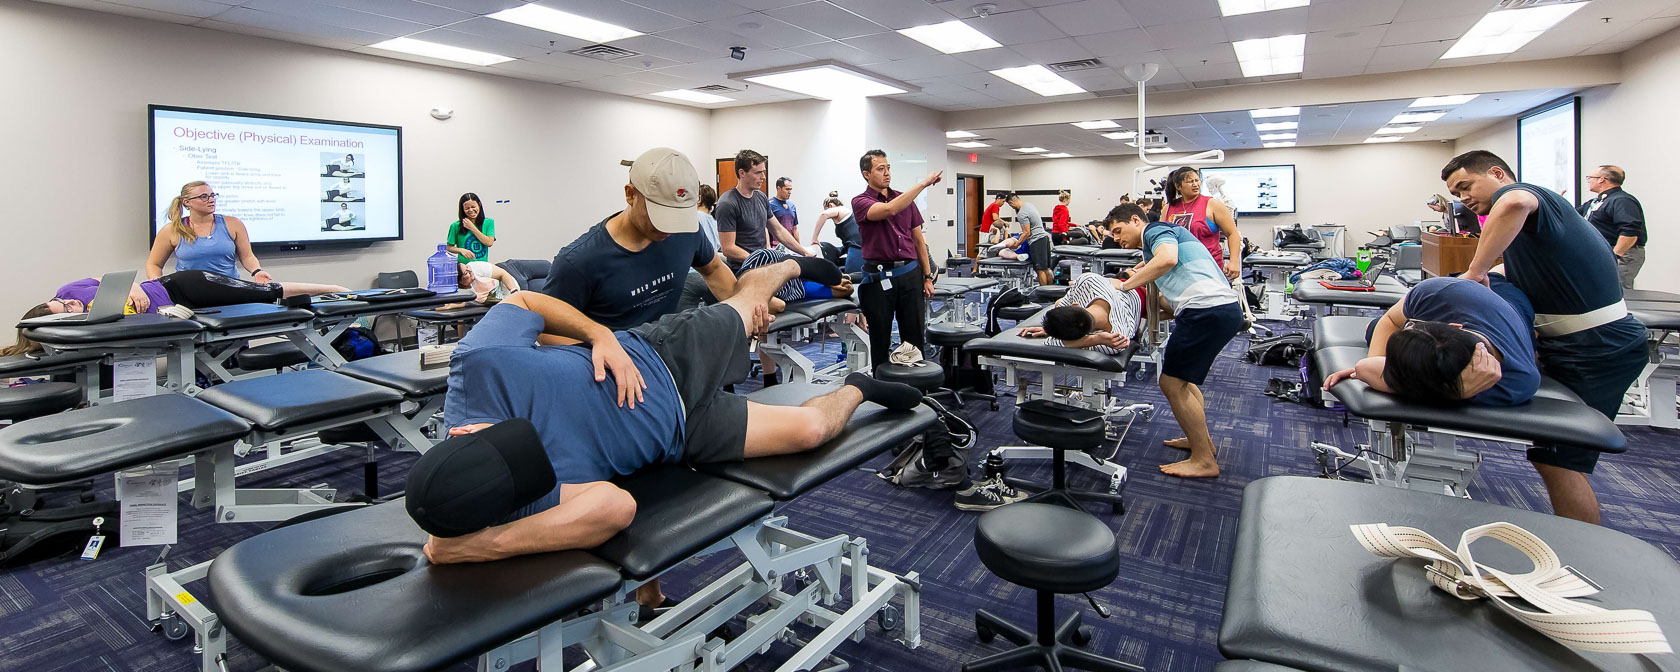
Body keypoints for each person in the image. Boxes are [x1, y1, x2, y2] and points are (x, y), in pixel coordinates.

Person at [411, 258, 922, 568]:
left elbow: (524, 302)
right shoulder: (516, 497)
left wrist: (600, 335)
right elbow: (614, 509)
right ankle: (860, 386)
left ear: (465, 432)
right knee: (812, 429)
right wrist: (478, 546)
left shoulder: (478, 362)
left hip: (660, 358)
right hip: (682, 434)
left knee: (750, 306)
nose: (531, 448)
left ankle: (782, 267)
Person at [1440, 150, 1647, 524]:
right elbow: (1518, 270)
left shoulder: (1521, 193)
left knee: (1559, 461)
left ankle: (1583, 556)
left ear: (1498, 173)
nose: (1463, 198)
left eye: (1465, 186)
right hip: (1574, 346)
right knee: (1557, 458)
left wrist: (1475, 271)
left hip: (1598, 346)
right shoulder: (1525, 228)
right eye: (1456, 194)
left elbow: (1515, 201)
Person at [1107, 203, 1243, 478]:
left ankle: (1204, 460)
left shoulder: (1156, 230)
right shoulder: (1157, 242)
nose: (1118, 239)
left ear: (1136, 220)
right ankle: (1200, 442)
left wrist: (1122, 285)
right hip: (1218, 310)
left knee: (1170, 383)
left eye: (1119, 231)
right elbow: (1164, 277)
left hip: (1206, 310)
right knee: (1184, 382)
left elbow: (1167, 259)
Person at [1322, 276, 1538, 408]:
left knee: (1371, 330)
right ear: (1454, 326)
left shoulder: (1514, 382)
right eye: (1411, 325)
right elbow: (1391, 320)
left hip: (1513, 304)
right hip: (1468, 290)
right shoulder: (1436, 292)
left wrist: (1456, 394)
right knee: (1376, 327)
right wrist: (1381, 364)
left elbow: (1365, 368)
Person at [853, 150, 940, 363]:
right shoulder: (860, 202)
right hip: (879, 279)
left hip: (910, 275)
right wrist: (923, 184)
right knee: (880, 339)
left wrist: (927, 276)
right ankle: (882, 392)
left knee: (914, 338)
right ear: (866, 174)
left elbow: (918, 240)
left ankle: (915, 392)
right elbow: (889, 210)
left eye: (888, 168)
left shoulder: (904, 199)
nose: (887, 173)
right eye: (880, 169)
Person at [29, 270, 345, 322]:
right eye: (68, 309)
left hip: (181, 287)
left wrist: (133, 286)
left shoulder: (68, 290)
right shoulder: (87, 324)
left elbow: (103, 278)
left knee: (263, 293)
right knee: (259, 303)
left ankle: (331, 290)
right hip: (178, 311)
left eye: (64, 302)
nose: (72, 304)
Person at [147, 181, 273, 283]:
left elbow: (247, 256)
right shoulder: (171, 230)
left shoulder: (233, 224)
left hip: (230, 291)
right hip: (189, 294)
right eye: (204, 197)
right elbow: (154, 264)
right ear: (187, 202)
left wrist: (257, 271)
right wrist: (157, 284)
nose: (211, 200)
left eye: (212, 195)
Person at [716, 150, 811, 269]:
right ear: (742, 173)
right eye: (758, 173)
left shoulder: (761, 197)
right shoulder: (727, 203)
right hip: (744, 268)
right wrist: (760, 261)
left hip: (763, 264)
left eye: (763, 172)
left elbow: (778, 230)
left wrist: (803, 252)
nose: (763, 177)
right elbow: (728, 249)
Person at [1018, 271, 1143, 355]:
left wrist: (1096, 339)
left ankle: (1132, 272)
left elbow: (1052, 342)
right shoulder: (1087, 279)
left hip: (1131, 289)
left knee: (1058, 302)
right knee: (1131, 271)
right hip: (1130, 290)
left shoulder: (1112, 341)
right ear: (1076, 305)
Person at [1163, 167, 1241, 281]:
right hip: (1179, 269)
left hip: (1208, 268)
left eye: (1197, 180)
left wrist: (1234, 261)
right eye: (1190, 182)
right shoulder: (1168, 208)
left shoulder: (1212, 204)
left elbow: (1232, 234)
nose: (1195, 184)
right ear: (1178, 186)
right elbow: (1164, 238)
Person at [1576, 165, 1646, 288]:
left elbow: (1630, 231)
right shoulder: (1597, 202)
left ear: (1601, 179)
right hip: (1602, 252)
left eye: (1590, 178)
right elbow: (1573, 215)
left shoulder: (1622, 200)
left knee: (1616, 290)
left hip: (1620, 253)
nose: (1589, 181)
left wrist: (1616, 255)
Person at [677, 185, 725, 313]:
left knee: (682, 319)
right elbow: (719, 246)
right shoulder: (714, 221)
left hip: (692, 275)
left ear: (698, 199)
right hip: (710, 276)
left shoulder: (694, 217)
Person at [1004, 193, 1053, 286]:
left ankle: (1044, 294)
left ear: (1011, 203)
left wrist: (1017, 244)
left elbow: (1027, 233)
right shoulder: (1029, 205)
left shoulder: (1022, 213)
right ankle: (1051, 292)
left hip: (1037, 241)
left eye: (1010, 205)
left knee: (1039, 270)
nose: (1011, 207)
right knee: (1046, 268)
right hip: (1045, 238)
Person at [808, 193, 864, 272]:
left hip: (857, 248)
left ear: (830, 206)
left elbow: (823, 215)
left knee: (852, 274)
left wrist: (814, 238)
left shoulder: (839, 209)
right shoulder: (845, 212)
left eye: (826, 208)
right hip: (851, 246)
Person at [456, 259, 552, 304]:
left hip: (513, 272)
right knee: (550, 286)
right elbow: (457, 311)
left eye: (467, 268)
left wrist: (513, 290)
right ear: (460, 282)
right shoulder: (466, 294)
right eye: (466, 273)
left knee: (547, 266)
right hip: (522, 290)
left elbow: (502, 274)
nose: (470, 271)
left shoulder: (474, 267)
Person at [446, 193, 496, 263]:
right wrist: (461, 250)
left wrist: (472, 227)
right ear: (462, 209)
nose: (471, 210)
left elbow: (489, 242)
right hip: (464, 268)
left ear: (479, 205)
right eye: (467, 208)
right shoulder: (455, 226)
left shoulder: (488, 222)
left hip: (483, 266)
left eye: (473, 207)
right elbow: (449, 247)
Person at [770, 176, 799, 243]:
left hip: (790, 246)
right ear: (778, 188)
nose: (789, 192)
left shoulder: (792, 206)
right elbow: (765, 228)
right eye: (787, 189)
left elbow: (795, 229)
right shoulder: (770, 205)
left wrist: (800, 248)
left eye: (790, 189)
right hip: (776, 246)